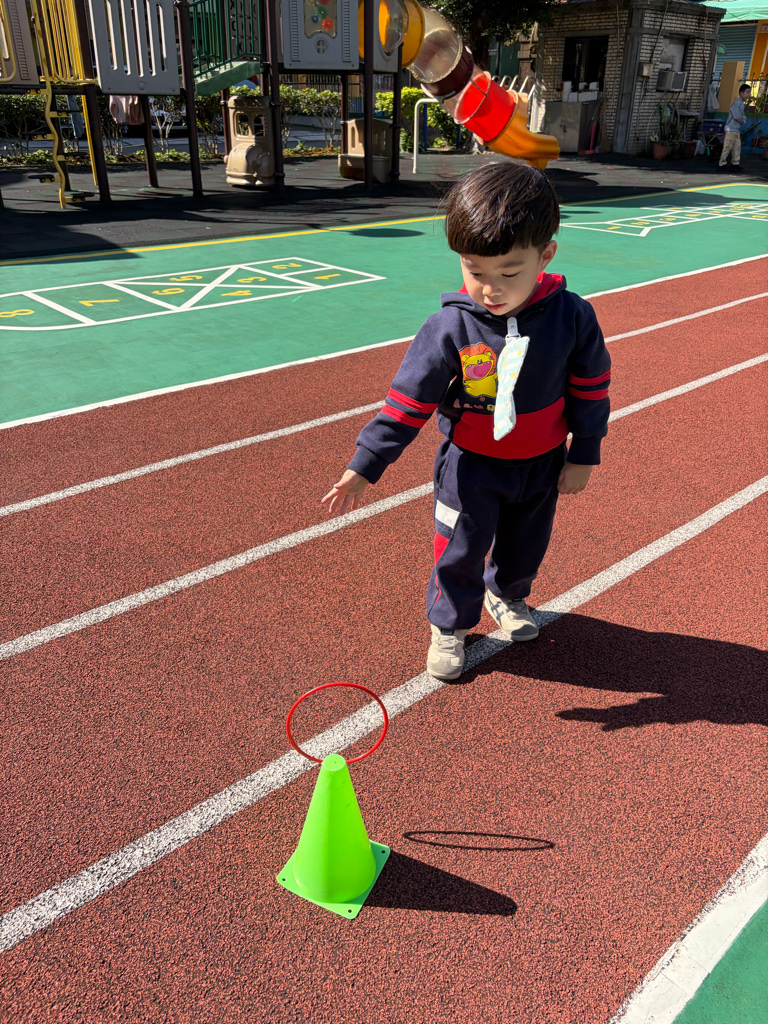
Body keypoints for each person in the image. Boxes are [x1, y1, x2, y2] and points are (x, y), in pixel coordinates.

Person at [322, 161, 611, 680]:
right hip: (471, 467)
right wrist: (365, 464)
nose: (490, 289)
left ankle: (508, 595)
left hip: (541, 463)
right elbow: (406, 404)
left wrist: (584, 452)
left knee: (527, 544)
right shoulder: (449, 328)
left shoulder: (573, 317)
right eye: (475, 272)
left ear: (545, 255)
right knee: (459, 548)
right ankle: (449, 624)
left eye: (509, 273)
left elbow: (590, 388)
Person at [719, 84, 751, 170]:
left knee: (737, 147)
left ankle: (735, 163)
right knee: (727, 147)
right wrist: (743, 119)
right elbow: (737, 116)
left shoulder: (741, 103)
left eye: (749, 93)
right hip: (731, 129)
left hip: (735, 129)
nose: (748, 95)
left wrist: (742, 119)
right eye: (747, 92)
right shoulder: (737, 103)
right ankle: (722, 163)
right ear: (741, 93)